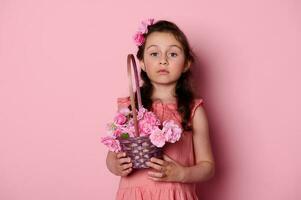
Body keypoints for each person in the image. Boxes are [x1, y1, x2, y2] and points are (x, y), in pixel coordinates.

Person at [106, 19, 215, 200]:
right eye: (154, 53)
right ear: (141, 62)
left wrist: (181, 174)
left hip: (175, 194)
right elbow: (112, 156)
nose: (163, 60)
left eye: (172, 54)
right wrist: (115, 165)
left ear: (187, 63)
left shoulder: (193, 109)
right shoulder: (130, 108)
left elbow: (208, 166)